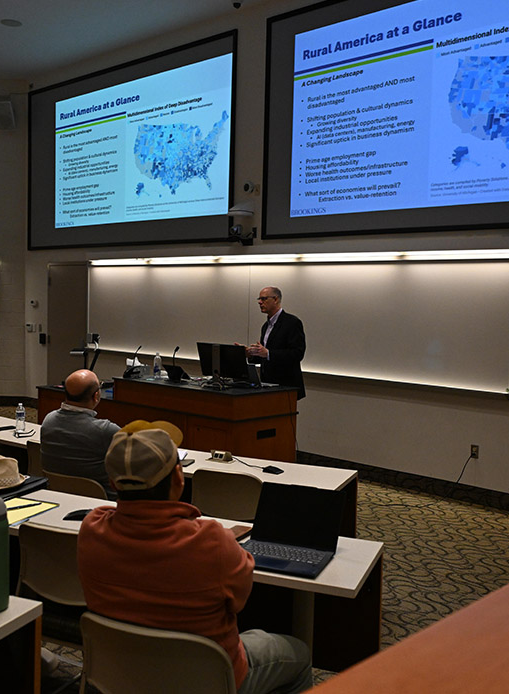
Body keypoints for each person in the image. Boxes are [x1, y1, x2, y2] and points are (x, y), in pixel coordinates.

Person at [77, 425, 313, 694]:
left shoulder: (91, 528)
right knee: (299, 654)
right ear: (179, 477)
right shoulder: (213, 541)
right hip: (208, 681)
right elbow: (240, 600)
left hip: (119, 674)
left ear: (112, 482)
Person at [40, 369, 120, 498]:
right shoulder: (105, 430)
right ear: (96, 396)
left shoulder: (48, 420)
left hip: (57, 494)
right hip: (101, 501)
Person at [245, 286, 307, 400]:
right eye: (259, 299)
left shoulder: (292, 322)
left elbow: (297, 353)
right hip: (267, 385)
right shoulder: (266, 326)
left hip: (285, 386)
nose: (259, 302)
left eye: (264, 299)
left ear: (276, 299)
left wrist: (268, 353)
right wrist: (251, 354)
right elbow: (264, 356)